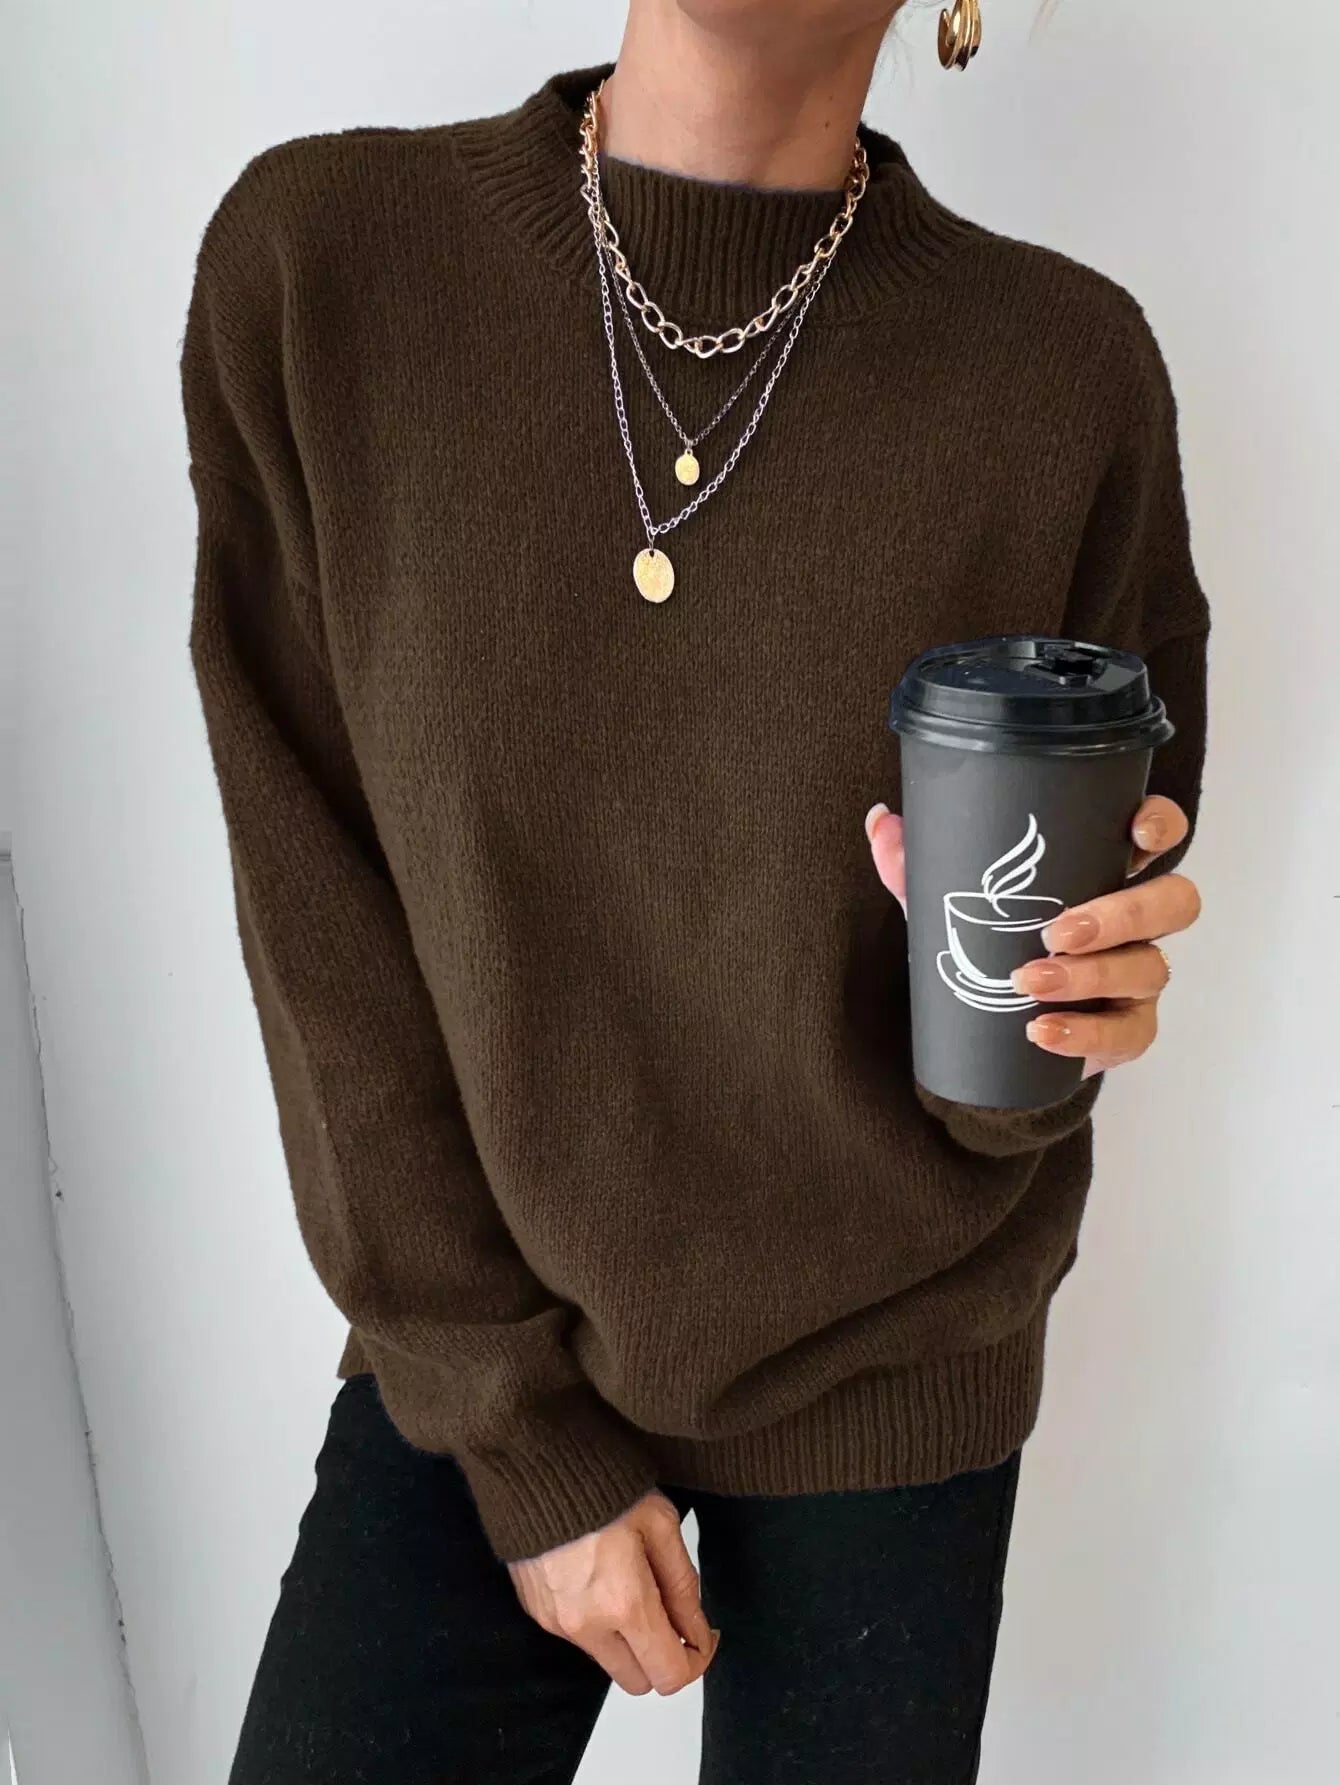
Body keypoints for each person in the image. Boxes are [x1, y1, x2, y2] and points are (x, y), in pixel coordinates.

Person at [180, 2, 1210, 1779]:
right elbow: (316, 917)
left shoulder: (1060, 372)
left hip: (895, 1353)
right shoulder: (325, 267)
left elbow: (1022, 1046)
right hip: (482, 1331)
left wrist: (1056, 1020)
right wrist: (517, 1433)